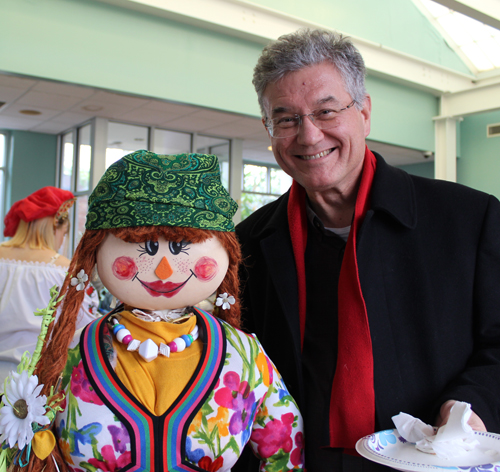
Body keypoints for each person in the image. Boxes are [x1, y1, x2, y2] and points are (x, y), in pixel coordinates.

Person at [235, 29, 500, 471]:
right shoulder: (248, 245)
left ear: (365, 112)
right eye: (286, 119)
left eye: (326, 111)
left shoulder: (470, 220)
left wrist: (469, 405)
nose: (308, 135)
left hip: (433, 461)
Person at [0, 151, 304, 472]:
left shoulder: (243, 355)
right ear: (96, 250)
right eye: (142, 247)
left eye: (180, 247)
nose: (162, 269)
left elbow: (286, 452)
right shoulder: (68, 353)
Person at [0, 186, 99, 389]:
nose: (62, 240)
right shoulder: (63, 271)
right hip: (36, 383)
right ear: (54, 227)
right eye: (64, 233)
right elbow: (83, 329)